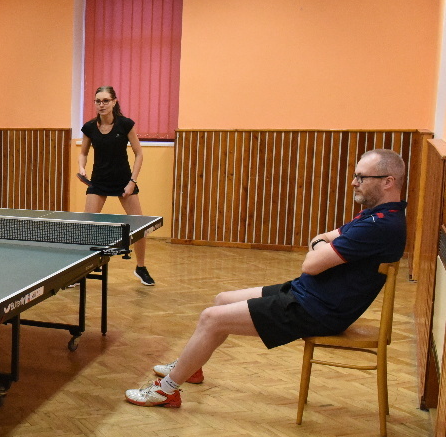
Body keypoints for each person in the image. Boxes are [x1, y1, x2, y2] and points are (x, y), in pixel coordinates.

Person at [125, 149, 407, 408]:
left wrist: (320, 245)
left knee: (211, 318)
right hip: (306, 294)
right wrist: (322, 244)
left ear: (388, 182)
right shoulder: (376, 216)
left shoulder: (379, 226)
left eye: (362, 177)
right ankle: (190, 367)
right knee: (222, 300)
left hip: (316, 310)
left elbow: (311, 263)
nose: (354, 182)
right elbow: (323, 239)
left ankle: (167, 390)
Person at [78, 85, 154, 286]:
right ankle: (79, 271)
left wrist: (132, 182)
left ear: (114, 102)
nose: (101, 104)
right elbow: (83, 152)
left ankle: (141, 267)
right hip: (99, 181)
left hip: (123, 182)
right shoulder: (89, 127)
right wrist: (82, 167)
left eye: (105, 101)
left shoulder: (125, 124)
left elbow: (139, 153)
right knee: (86, 226)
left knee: (139, 226)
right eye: (98, 101)